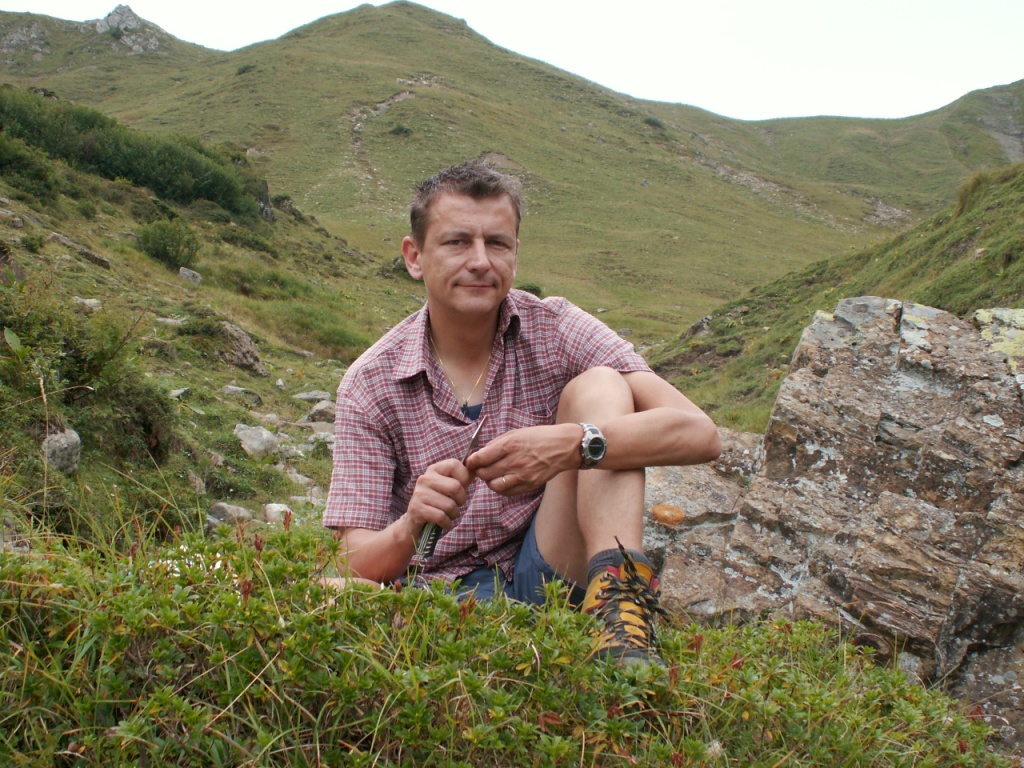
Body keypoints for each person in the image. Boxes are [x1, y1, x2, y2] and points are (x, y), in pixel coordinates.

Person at [324, 160, 721, 665]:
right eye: (456, 242)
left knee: (601, 385)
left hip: (551, 571)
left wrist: (574, 444)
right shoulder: (370, 382)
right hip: (433, 592)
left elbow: (701, 433)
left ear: (515, 253)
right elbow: (352, 561)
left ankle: (620, 615)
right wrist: (411, 525)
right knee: (330, 593)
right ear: (414, 256)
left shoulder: (556, 326)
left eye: (497, 243)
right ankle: (483, 644)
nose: (480, 261)